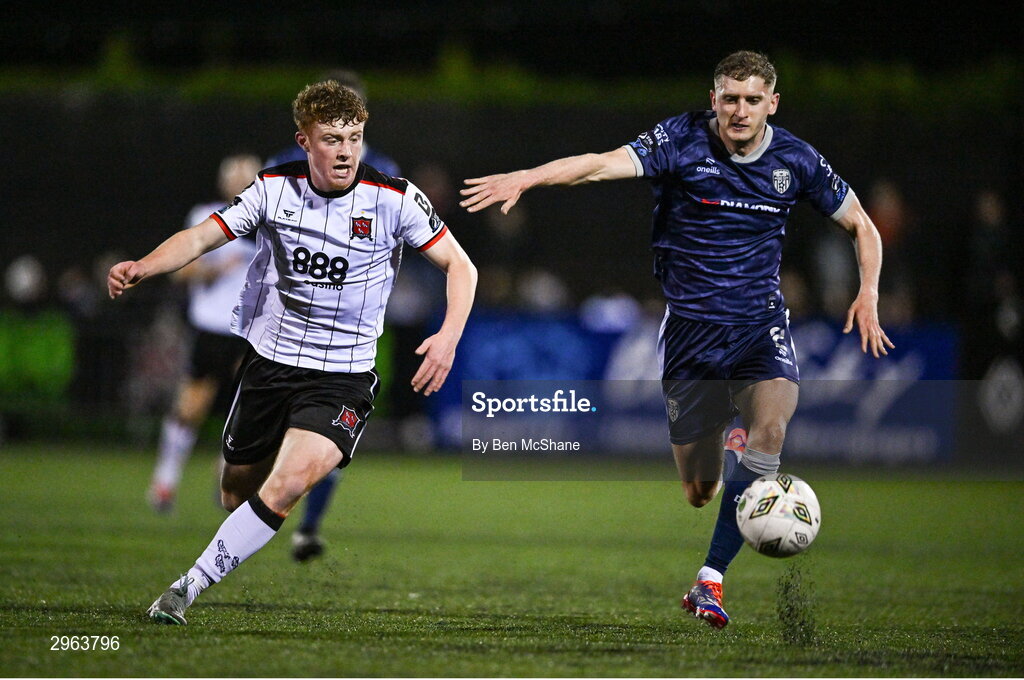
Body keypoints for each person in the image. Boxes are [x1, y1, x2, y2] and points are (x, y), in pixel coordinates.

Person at [460, 51, 893, 629]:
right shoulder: (680, 140)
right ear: (713, 98)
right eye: (730, 98)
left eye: (753, 99)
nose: (740, 110)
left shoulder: (797, 159)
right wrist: (529, 177)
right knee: (700, 489)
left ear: (773, 103)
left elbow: (862, 224)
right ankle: (733, 456)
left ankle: (709, 581)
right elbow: (598, 165)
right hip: (691, 334)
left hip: (760, 325)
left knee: (771, 429)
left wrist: (869, 292)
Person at [108, 80, 477, 625]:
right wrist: (142, 265)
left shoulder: (396, 199)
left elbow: (460, 266)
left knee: (285, 487)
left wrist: (447, 337)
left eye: (354, 137)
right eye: (333, 138)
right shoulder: (273, 189)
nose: (347, 150)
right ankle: (250, 498)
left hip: (344, 377)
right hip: (271, 364)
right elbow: (201, 238)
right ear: (304, 140)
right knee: (236, 490)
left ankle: (184, 590)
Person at [268, 69, 402, 563]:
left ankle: (308, 527)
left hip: (348, 330)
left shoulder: (384, 170)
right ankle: (253, 501)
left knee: (332, 435)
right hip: (285, 321)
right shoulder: (284, 166)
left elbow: (399, 238)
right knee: (267, 436)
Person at [148, 153, 261, 513]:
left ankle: (225, 483)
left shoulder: (268, 220)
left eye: (249, 175)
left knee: (245, 412)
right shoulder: (205, 217)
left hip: (250, 331)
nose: (242, 181)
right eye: (236, 176)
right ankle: (165, 482)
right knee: (190, 408)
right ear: (223, 182)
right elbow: (179, 271)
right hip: (211, 327)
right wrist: (213, 271)